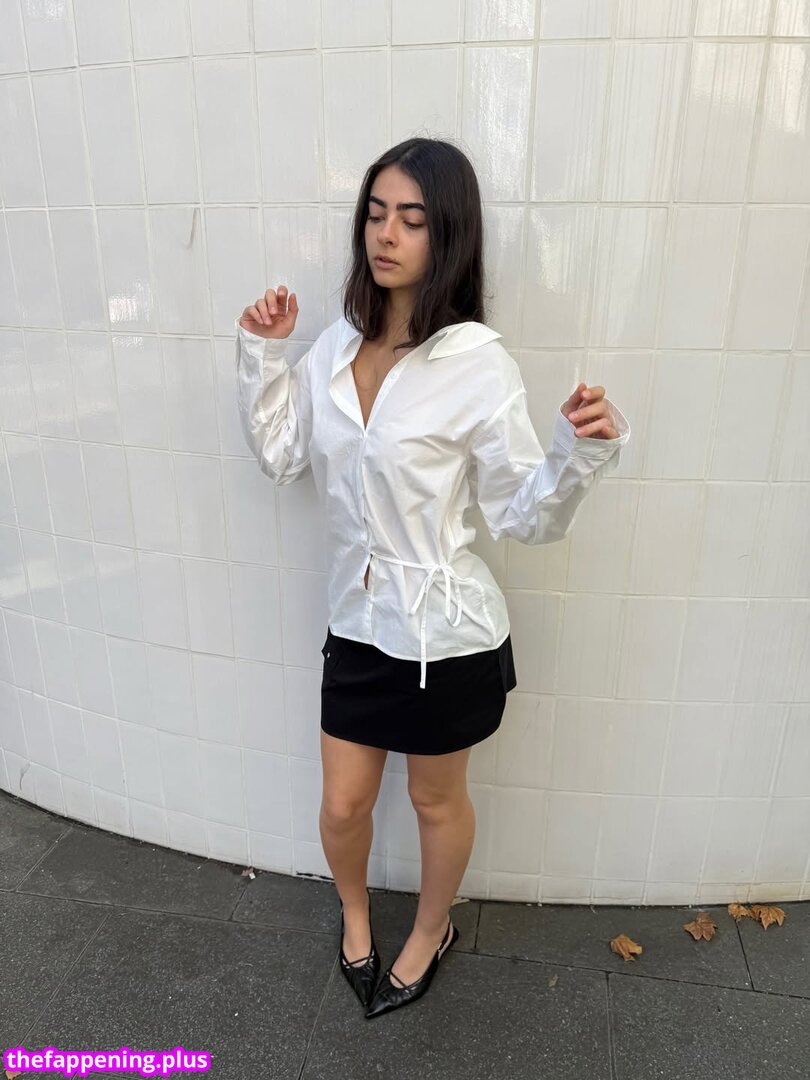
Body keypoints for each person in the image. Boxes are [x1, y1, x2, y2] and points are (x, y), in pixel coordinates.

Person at [235, 137, 631, 1019]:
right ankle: (355, 917)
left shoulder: (475, 363)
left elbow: (522, 514)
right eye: (376, 214)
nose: (387, 234)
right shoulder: (335, 347)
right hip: (357, 622)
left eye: (411, 219)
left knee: (434, 798)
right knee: (344, 805)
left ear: (446, 233)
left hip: (445, 636)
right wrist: (262, 352)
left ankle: (431, 928)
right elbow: (282, 455)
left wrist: (576, 453)